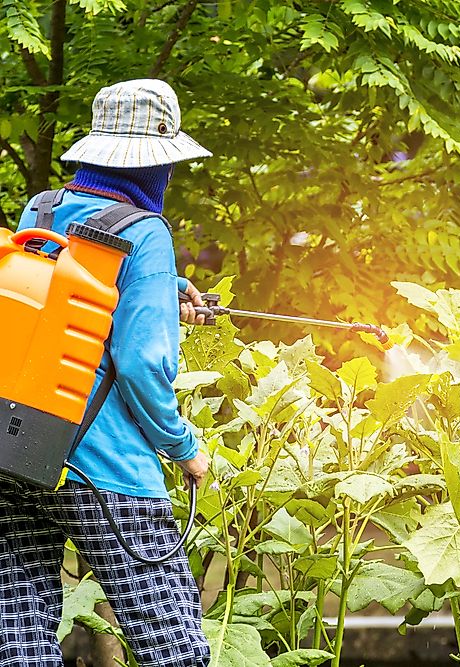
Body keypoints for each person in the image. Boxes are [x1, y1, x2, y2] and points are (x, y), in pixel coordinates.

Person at [0, 79, 212, 666]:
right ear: (157, 164)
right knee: (176, 651)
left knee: (18, 645)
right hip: (109, 475)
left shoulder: (41, 210)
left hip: (19, 455)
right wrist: (183, 446)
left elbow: (66, 290)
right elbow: (144, 363)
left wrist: (160, 291)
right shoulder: (147, 233)